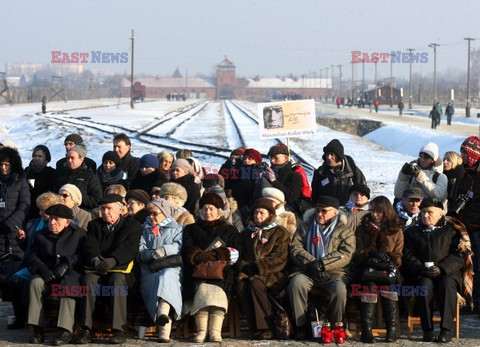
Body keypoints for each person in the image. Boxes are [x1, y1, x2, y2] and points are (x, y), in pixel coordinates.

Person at [75, 194, 142, 345]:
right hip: (97, 269)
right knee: (88, 280)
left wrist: (113, 260)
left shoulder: (133, 226)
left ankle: (119, 330)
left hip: (121, 270)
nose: (105, 212)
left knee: (117, 281)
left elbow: (130, 248)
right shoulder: (94, 225)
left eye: (109, 208)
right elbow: (89, 245)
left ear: (121, 209)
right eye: (103, 208)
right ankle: (86, 329)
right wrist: (96, 260)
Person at [288, 196, 355, 339]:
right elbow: (295, 248)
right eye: (318, 210)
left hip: (334, 272)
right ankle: (301, 326)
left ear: (335, 212)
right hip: (307, 270)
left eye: (324, 211)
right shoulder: (305, 227)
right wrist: (312, 263)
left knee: (340, 290)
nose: (319, 214)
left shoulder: (345, 230)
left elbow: (345, 254)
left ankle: (336, 325)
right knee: (296, 284)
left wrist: (322, 265)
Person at [402, 199, 466, 343]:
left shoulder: (452, 230)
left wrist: (442, 269)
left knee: (447, 285)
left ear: (440, 213)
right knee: (424, 287)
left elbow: (459, 255)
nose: (425, 216)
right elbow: (407, 254)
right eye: (423, 212)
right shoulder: (412, 231)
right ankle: (427, 330)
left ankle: (445, 330)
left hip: (448, 272)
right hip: (421, 272)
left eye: (429, 212)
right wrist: (420, 268)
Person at [182, 193, 240, 343]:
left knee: (218, 289)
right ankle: (201, 331)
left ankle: (215, 331)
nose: (207, 212)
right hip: (197, 272)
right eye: (204, 209)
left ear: (219, 210)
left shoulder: (230, 230)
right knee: (202, 288)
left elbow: (236, 251)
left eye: (211, 209)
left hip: (222, 272)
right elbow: (187, 250)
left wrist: (216, 254)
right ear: (199, 211)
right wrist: (200, 256)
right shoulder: (191, 228)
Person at [25, 204, 86, 345]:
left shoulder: (79, 234)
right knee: (35, 282)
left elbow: (83, 255)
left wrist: (67, 264)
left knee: (69, 284)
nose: (52, 222)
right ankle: (37, 329)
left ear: (67, 222)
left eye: (57, 219)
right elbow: (31, 256)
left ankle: (65, 331)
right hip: (47, 276)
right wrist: (42, 269)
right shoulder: (40, 235)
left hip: (69, 275)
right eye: (50, 219)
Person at [349, 196, 403, 343]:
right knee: (370, 286)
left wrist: (388, 257)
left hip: (388, 269)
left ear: (386, 212)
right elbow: (357, 251)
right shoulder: (363, 228)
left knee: (387, 285)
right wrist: (370, 253)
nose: (375, 215)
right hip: (367, 269)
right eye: (372, 211)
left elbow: (399, 254)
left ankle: (392, 329)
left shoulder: (395, 229)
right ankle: (366, 330)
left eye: (379, 212)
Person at [236, 198, 289, 340]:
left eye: (262, 213)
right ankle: (255, 327)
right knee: (241, 284)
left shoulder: (280, 232)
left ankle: (266, 326)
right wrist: (245, 266)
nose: (258, 216)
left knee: (255, 284)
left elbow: (280, 258)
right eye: (255, 213)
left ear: (270, 214)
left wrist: (259, 267)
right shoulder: (247, 233)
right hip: (249, 271)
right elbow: (239, 254)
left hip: (273, 274)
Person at [137, 199, 183, 343]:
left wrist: (164, 250)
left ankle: (163, 317)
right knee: (162, 279)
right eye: (149, 213)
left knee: (167, 275)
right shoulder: (144, 229)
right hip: (150, 270)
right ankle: (164, 331)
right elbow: (139, 251)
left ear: (165, 214)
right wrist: (151, 254)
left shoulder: (178, 229)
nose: (151, 216)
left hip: (172, 268)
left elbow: (180, 246)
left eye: (155, 213)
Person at [0, 146, 30, 322]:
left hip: (13, 235)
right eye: (1, 164)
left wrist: (10, 224)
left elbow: (24, 205)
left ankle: (19, 315)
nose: (4, 168)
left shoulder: (20, 181)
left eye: (7, 164)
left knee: (14, 275)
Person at [456, 136, 480, 312]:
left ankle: (477, 303)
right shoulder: (466, 173)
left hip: (477, 227)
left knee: (478, 267)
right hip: (465, 226)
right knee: (466, 266)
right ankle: (468, 301)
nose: (461, 156)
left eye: (464, 152)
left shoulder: (476, 174)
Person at [311, 139, 366, 206]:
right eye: (327, 154)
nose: (329, 157)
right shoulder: (320, 172)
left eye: (332, 154)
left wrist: (355, 208)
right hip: (326, 212)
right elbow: (315, 196)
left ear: (339, 155)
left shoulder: (353, 171)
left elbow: (364, 193)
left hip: (348, 212)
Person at [54, 144, 103, 210]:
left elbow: (97, 199)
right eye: (68, 158)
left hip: (82, 215)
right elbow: (55, 194)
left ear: (81, 159)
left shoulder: (90, 177)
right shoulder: (63, 176)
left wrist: (78, 197)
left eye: (72, 158)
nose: (69, 160)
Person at [264, 144, 303, 209]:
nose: (272, 161)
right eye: (270, 158)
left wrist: (274, 181)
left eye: (276, 158)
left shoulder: (294, 175)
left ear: (286, 158)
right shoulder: (269, 172)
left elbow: (291, 198)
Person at [25, 145, 55, 220]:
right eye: (34, 156)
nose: (36, 158)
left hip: (44, 212)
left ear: (46, 158)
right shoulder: (27, 171)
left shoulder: (51, 173)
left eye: (40, 156)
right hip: (28, 210)